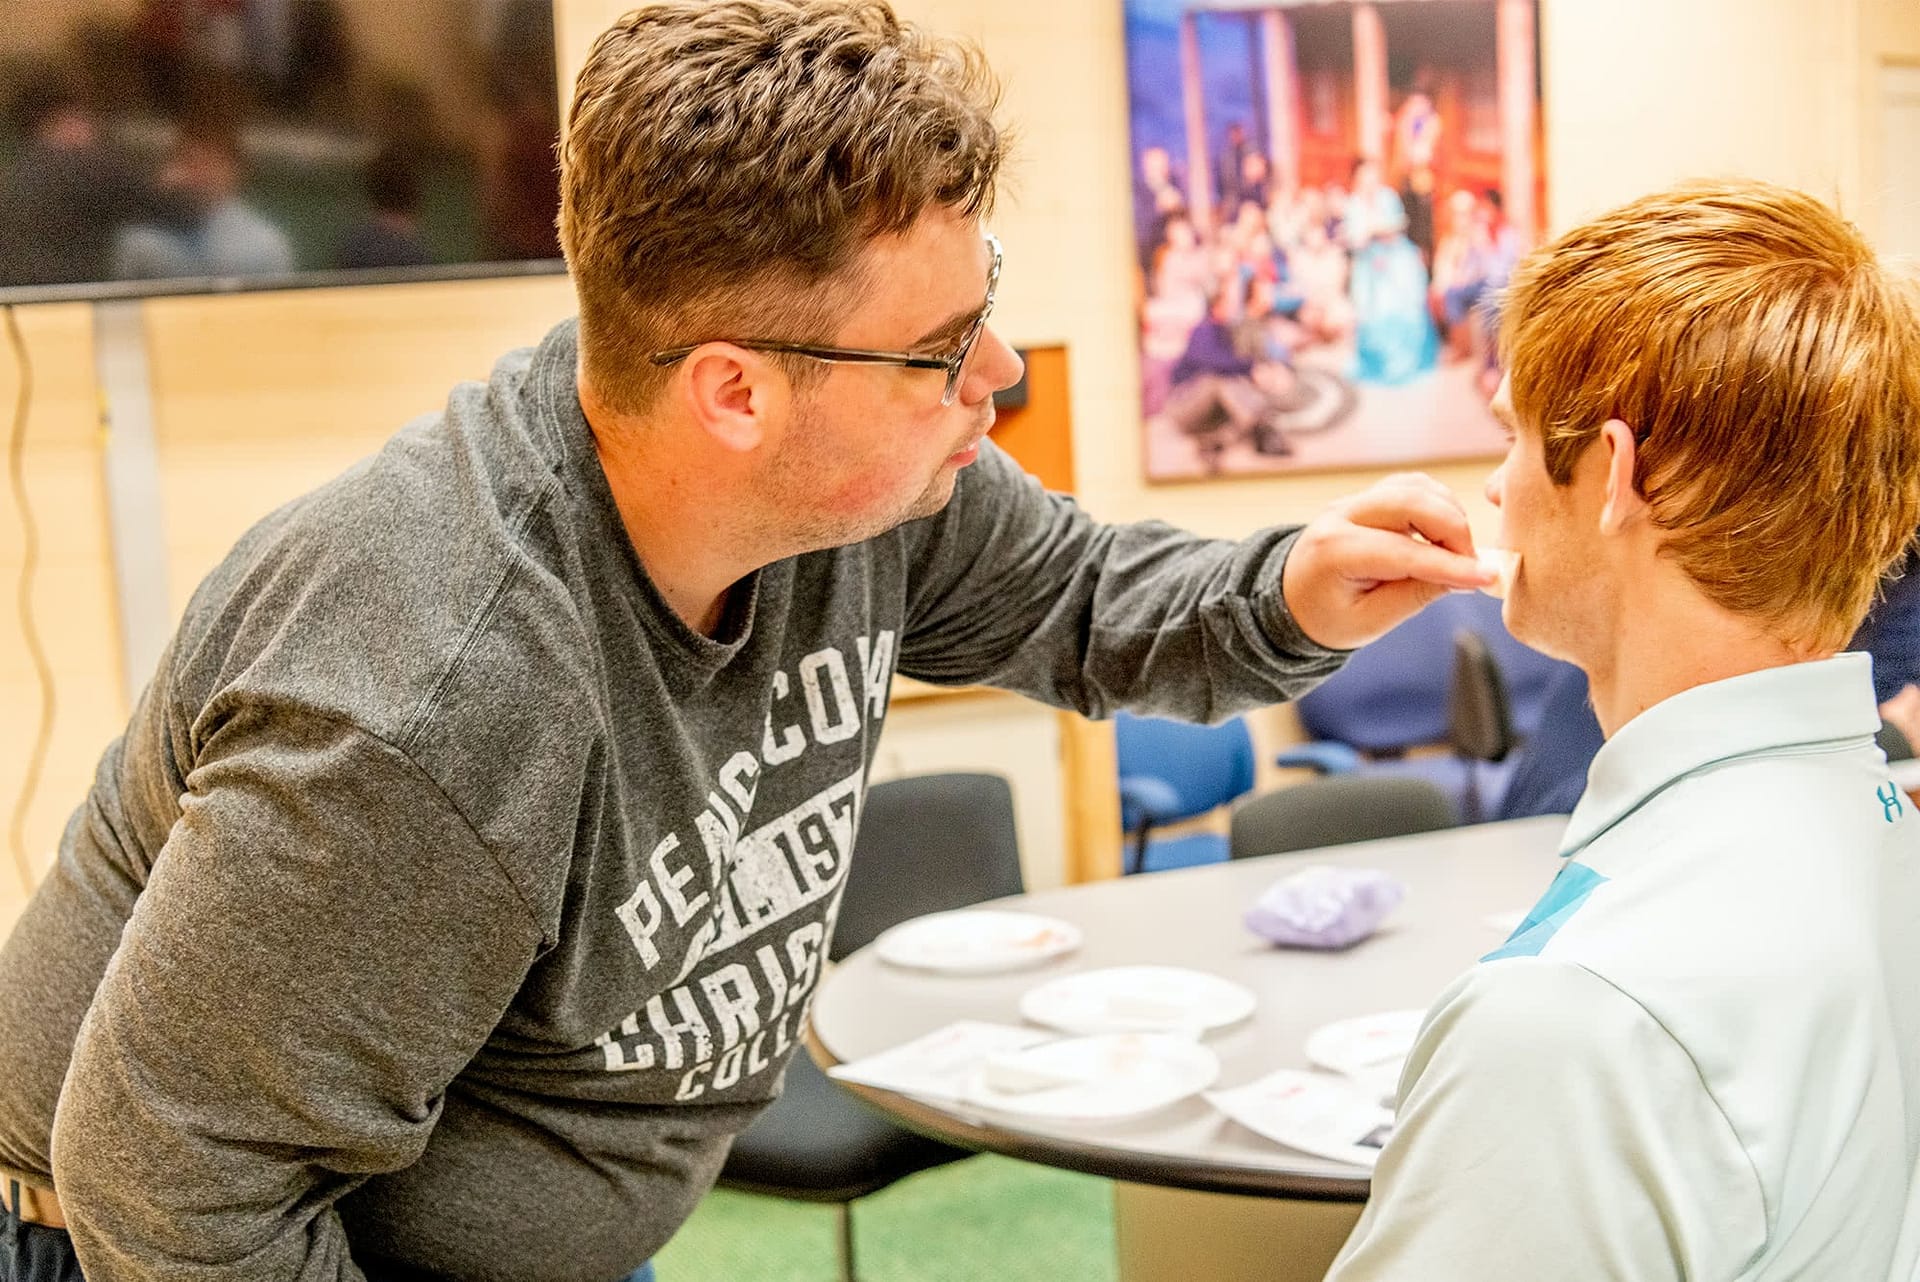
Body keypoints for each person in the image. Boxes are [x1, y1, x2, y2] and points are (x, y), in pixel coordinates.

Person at [0, 4, 1493, 1278]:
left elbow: (1086, 599)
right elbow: (176, 1185)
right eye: (938, 348)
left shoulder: (870, 493)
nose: (1001, 369)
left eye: (985, 308)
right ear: (732, 394)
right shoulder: (431, 696)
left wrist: (1293, 582)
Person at [1327, 179, 1920, 1280]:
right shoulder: (1886, 838)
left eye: (1510, 436)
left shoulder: (1577, 1018)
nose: (1497, 489)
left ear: (1614, 475)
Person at [113, 120, 296, 281]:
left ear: (234, 172)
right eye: (190, 161)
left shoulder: (265, 244)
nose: (199, 174)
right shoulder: (143, 240)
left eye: (211, 163)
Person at [1344, 157, 1436, 386]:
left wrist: (1377, 231)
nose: (1370, 180)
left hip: (1395, 259)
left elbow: (1398, 226)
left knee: (1403, 306)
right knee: (1372, 311)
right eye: (1365, 176)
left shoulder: (1388, 196)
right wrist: (1367, 235)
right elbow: (1354, 239)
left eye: (1373, 175)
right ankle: (1379, 363)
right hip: (1368, 265)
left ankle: (1404, 362)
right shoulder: (1353, 203)